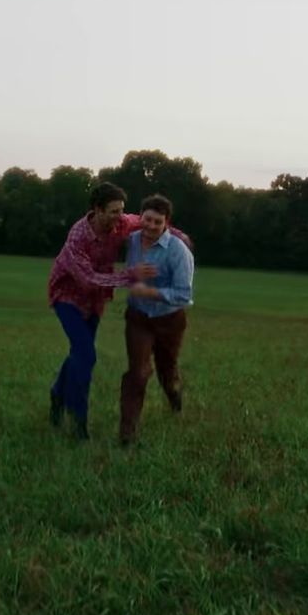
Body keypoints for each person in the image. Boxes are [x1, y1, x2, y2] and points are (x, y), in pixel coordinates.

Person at [47, 182, 185, 440]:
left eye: (121, 210)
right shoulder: (78, 236)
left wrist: (178, 236)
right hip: (68, 296)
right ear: (97, 210)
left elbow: (149, 222)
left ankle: (57, 395)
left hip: (95, 300)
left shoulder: (121, 222)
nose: (119, 216)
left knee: (79, 352)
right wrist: (130, 276)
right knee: (86, 355)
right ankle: (79, 423)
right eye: (113, 211)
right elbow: (88, 278)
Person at [119, 194, 194, 446]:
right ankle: (127, 434)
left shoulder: (178, 251)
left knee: (167, 371)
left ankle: (175, 399)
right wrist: (132, 279)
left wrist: (150, 292)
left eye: (157, 222)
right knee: (138, 372)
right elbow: (126, 275)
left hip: (169, 320)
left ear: (166, 223)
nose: (151, 226)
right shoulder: (131, 241)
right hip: (138, 318)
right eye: (147, 220)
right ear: (140, 217)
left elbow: (184, 294)